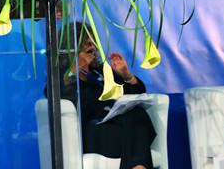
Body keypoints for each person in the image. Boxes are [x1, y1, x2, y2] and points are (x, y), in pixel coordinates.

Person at [60, 24, 156, 169]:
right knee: (136, 129)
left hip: (114, 128)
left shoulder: (100, 71)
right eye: (87, 42)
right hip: (91, 132)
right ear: (73, 47)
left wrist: (126, 75)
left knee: (137, 114)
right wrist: (75, 71)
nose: (92, 47)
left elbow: (137, 94)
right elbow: (60, 98)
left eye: (93, 42)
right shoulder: (63, 75)